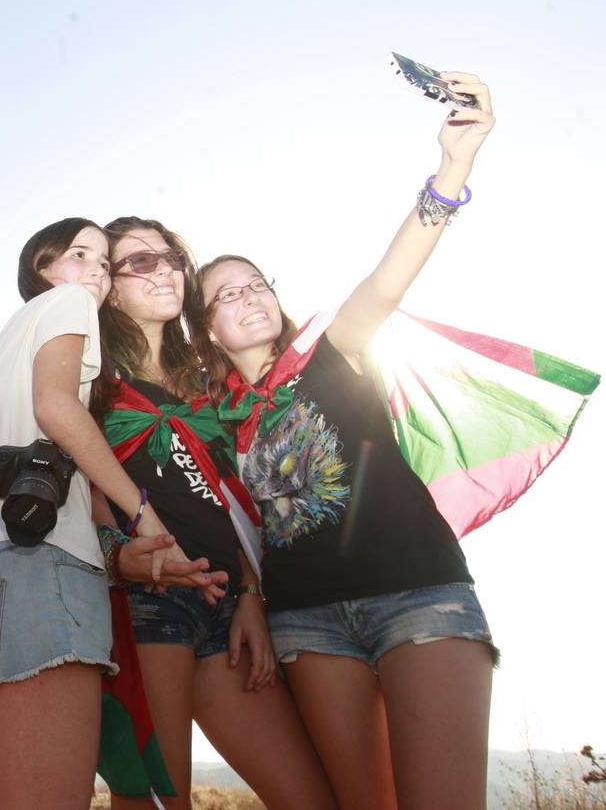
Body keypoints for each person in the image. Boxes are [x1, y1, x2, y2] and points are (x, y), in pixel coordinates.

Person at [189, 73, 497, 809]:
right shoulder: (210, 420)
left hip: (419, 595)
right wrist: (255, 603)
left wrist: (453, 168)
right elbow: (230, 528)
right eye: (226, 294)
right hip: (308, 623)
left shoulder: (336, 350)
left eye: (256, 282)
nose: (249, 296)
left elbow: (389, 281)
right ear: (206, 331)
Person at [0, 218, 227, 809]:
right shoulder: (69, 303)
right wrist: (145, 516)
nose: (95, 272)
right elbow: (57, 407)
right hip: (47, 576)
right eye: (80, 255)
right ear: (42, 268)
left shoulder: (4, 343)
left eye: (103, 262)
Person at [99, 216, 335, 809]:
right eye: (140, 262)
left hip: (226, 601)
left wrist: (251, 597)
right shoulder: (93, 373)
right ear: (111, 284)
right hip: (147, 601)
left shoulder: (204, 381)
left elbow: (241, 494)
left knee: (310, 798)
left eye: (171, 256)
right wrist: (116, 553)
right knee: (157, 801)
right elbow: (78, 481)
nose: (164, 270)